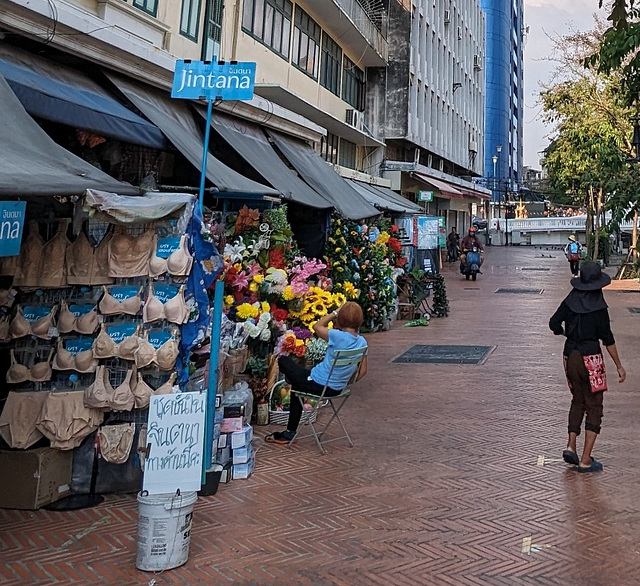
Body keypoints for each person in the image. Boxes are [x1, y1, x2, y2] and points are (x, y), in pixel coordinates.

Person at [549, 262, 626, 473]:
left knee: (577, 399)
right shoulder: (600, 308)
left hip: (570, 355)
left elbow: (553, 323)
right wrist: (619, 365)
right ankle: (585, 459)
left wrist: (565, 333)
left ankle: (570, 445)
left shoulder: (570, 300)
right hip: (591, 358)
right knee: (594, 405)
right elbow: (607, 339)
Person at [265, 302, 368, 445]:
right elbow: (362, 372)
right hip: (337, 388)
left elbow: (317, 326)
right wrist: (343, 381)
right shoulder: (362, 342)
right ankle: (289, 432)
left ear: (341, 319)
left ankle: (289, 433)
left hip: (317, 383)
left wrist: (335, 313)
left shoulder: (337, 336)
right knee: (297, 386)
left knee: (283, 361)